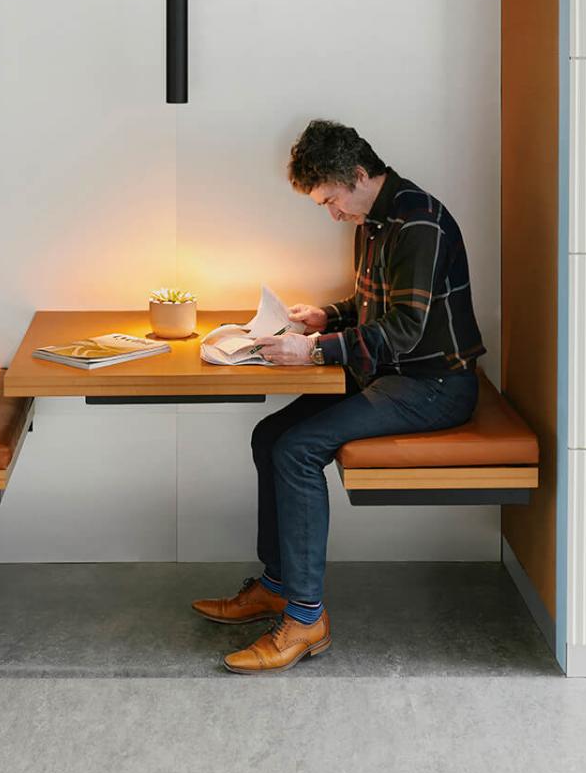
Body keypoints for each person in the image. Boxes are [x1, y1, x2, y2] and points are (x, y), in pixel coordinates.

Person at [191, 119, 488, 674]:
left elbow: (406, 329)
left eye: (331, 201)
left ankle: (305, 618)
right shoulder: (374, 219)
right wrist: (328, 315)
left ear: (357, 175)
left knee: (297, 448)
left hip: (435, 385)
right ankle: (279, 586)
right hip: (391, 374)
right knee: (270, 434)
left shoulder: (419, 220)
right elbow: (376, 305)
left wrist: (316, 351)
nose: (332, 214)